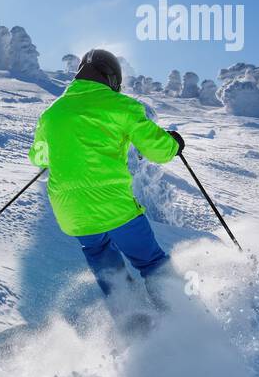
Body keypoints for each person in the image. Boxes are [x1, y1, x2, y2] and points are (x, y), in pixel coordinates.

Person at [29, 49, 184, 301]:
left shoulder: (52, 113)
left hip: (71, 212)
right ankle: (180, 315)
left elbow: (38, 157)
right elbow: (158, 150)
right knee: (151, 261)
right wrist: (174, 144)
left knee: (102, 259)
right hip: (113, 204)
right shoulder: (122, 106)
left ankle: (131, 320)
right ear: (112, 78)